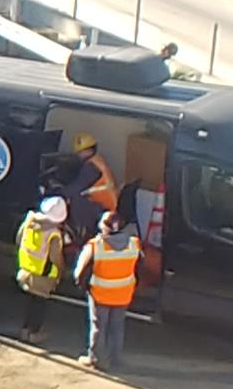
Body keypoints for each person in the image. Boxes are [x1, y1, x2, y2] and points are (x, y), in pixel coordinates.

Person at [74, 208, 140, 371]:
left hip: (100, 294)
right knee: (117, 327)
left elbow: (79, 273)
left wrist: (84, 286)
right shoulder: (134, 244)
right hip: (123, 293)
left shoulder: (95, 246)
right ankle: (115, 359)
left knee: (98, 327)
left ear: (104, 227)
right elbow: (141, 267)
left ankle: (95, 358)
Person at [14, 195, 68, 343]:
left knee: (30, 303)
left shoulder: (29, 221)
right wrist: (61, 271)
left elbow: (19, 240)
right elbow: (55, 258)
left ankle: (25, 330)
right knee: (39, 305)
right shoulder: (54, 234)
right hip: (43, 276)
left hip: (25, 270)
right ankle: (33, 333)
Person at [67, 132, 119, 236]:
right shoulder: (98, 160)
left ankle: (81, 236)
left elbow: (75, 189)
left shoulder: (91, 168)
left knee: (76, 201)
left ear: (89, 150)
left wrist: (56, 190)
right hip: (111, 203)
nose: (78, 155)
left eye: (80, 152)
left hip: (105, 207)